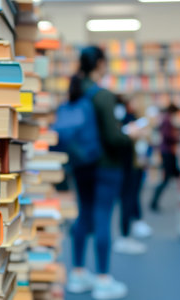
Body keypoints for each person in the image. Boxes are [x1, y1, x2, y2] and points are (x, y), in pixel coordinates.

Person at [66, 46, 137, 300]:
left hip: (81, 164)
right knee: (103, 218)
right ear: (100, 64)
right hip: (106, 166)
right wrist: (132, 135)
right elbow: (114, 138)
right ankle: (104, 280)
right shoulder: (103, 95)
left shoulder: (75, 92)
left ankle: (76, 273)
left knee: (84, 214)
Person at [114, 97, 153, 255]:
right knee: (127, 198)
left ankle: (130, 230)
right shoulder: (123, 120)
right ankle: (124, 236)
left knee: (132, 196)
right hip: (127, 166)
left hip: (134, 165)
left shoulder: (134, 120)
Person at [149, 104, 180, 212]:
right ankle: (154, 202)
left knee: (169, 177)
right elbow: (167, 136)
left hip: (166, 151)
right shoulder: (167, 119)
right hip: (167, 152)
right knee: (166, 179)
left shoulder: (165, 119)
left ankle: (154, 202)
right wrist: (177, 137)